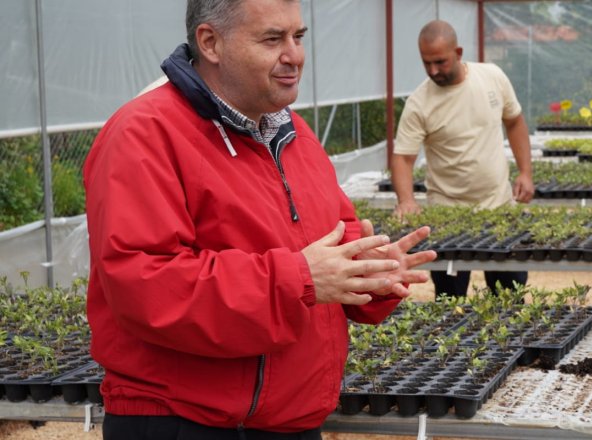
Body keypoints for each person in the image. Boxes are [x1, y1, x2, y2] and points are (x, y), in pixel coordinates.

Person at [83, 0, 436, 438]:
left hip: (288, 418)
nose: (295, 55)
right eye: (272, 39)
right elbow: (145, 285)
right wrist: (299, 279)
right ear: (210, 42)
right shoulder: (144, 135)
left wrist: (371, 271)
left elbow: (334, 242)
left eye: (298, 36)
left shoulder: (294, 135)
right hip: (187, 420)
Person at [390, 20, 534, 299]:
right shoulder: (420, 102)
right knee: (450, 301)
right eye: (426, 63)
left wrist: (525, 172)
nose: (433, 70)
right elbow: (403, 158)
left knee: (508, 298)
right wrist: (406, 200)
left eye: (440, 62)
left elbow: (514, 121)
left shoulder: (491, 77)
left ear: (458, 52)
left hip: (499, 208)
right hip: (448, 215)